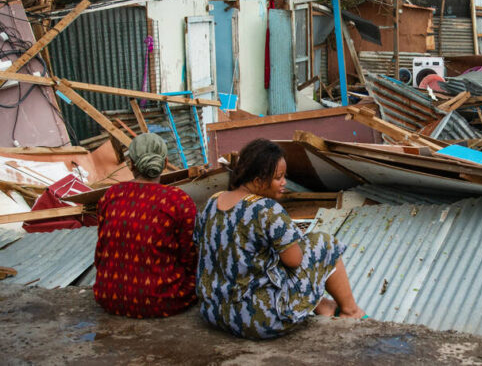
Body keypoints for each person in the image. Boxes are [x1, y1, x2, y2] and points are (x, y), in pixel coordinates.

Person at [193, 138, 364, 339]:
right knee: (323, 243)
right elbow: (294, 260)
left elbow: (202, 251)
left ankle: (323, 306)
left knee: (269, 260)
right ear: (258, 181)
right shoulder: (265, 209)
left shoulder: (211, 202)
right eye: (278, 178)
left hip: (215, 312)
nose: (284, 183)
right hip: (257, 320)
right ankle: (350, 311)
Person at [93, 133, 197, 318]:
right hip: (161, 300)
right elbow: (190, 257)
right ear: (165, 164)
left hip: (108, 296)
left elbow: (101, 249)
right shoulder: (178, 200)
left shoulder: (111, 194)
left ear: (130, 164)